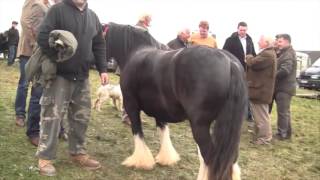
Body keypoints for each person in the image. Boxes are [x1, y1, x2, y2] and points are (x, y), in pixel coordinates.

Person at [36, 0, 108, 176]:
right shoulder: (57, 10)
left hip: (82, 76)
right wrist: (58, 56)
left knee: (81, 117)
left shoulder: (93, 17)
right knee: (52, 117)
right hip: (59, 75)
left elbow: (99, 44)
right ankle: (45, 158)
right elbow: (43, 35)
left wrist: (103, 69)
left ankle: (78, 153)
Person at [15, 0, 50, 147]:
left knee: (38, 86)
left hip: (40, 53)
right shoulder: (33, 1)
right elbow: (25, 21)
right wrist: (35, 43)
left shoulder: (48, 5)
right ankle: (20, 114)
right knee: (24, 84)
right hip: (29, 51)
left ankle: (34, 120)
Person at [223, 21, 256, 124]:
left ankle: (248, 114)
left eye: (244, 30)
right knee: (233, 91)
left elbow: (253, 53)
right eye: (241, 30)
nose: (242, 32)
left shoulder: (250, 40)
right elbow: (225, 54)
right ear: (237, 29)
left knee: (246, 91)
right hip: (234, 69)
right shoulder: (230, 40)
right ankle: (231, 113)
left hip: (247, 70)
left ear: (247, 30)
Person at [246, 35, 277, 145]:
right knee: (260, 115)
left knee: (262, 117)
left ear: (266, 43)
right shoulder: (268, 53)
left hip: (261, 91)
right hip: (261, 90)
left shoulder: (267, 54)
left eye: (260, 40)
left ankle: (264, 139)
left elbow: (253, 63)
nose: (258, 42)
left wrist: (248, 56)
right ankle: (261, 135)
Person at [273, 34, 297, 140]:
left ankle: (282, 134)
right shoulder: (285, 52)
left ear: (287, 41)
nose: (278, 43)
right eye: (278, 41)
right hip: (284, 87)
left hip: (284, 88)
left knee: (282, 112)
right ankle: (287, 133)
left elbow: (285, 70)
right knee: (285, 111)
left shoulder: (288, 54)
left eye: (280, 41)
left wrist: (272, 75)